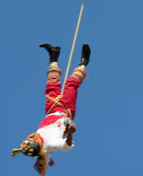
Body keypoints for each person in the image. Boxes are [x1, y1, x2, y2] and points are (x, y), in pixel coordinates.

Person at [12, 43, 91, 176]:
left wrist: (48, 161)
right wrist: (70, 133)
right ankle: (83, 62)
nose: (32, 138)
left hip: (51, 109)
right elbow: (66, 147)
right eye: (32, 141)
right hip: (65, 110)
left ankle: (54, 56)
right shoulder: (49, 144)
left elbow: (44, 160)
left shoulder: (39, 147)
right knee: (71, 84)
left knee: (51, 84)